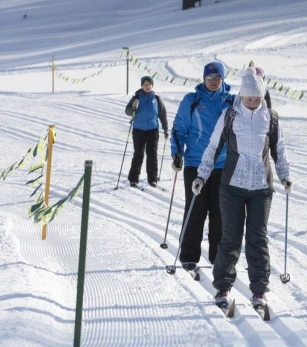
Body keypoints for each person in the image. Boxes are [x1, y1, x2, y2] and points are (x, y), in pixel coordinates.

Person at [191, 67, 291, 308]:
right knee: (231, 238)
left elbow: (279, 150)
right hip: (232, 186)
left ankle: (259, 291)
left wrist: (285, 176)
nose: (254, 103)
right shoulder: (230, 116)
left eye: (257, 99)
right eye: (249, 99)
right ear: (241, 97)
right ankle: (223, 288)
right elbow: (213, 147)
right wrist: (201, 176)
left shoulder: (271, 118)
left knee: (258, 239)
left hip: (261, 188)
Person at [170, 62, 235, 270]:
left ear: (223, 79)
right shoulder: (192, 100)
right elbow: (179, 128)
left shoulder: (232, 102)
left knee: (220, 213)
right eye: (210, 78)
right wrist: (177, 153)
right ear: (203, 79)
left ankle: (218, 256)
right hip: (195, 163)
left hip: (223, 164)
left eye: (218, 78)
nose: (214, 82)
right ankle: (189, 256)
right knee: (195, 210)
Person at [125, 76, 168, 188]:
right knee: (138, 154)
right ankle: (133, 179)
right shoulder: (137, 98)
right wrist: (132, 109)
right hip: (139, 130)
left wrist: (165, 129)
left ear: (152, 85)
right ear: (142, 86)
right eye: (145, 84)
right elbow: (128, 111)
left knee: (152, 154)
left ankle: (152, 179)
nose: (147, 86)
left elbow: (162, 114)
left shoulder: (156, 99)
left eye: (149, 84)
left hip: (153, 130)